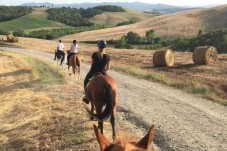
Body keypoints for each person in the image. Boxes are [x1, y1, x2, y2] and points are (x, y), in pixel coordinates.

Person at [83, 40, 110, 104]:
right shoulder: (108, 56)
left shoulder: (94, 54)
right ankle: (108, 98)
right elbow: (108, 68)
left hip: (93, 71)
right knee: (109, 84)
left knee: (86, 81)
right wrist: (103, 70)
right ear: (105, 47)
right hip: (103, 72)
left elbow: (92, 64)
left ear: (98, 46)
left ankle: (87, 97)